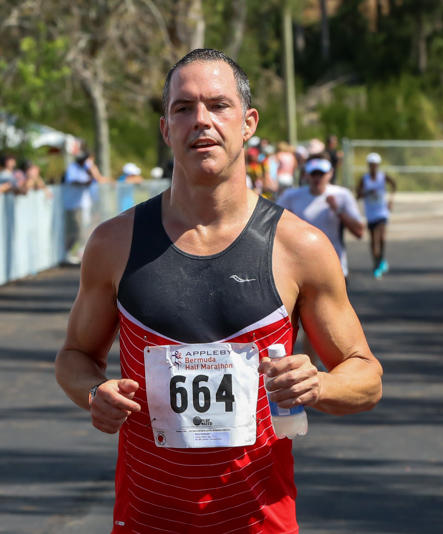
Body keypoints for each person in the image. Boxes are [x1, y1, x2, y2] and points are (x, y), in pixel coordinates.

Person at [55, 48, 382, 533]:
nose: (201, 120)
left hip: (259, 523)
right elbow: (74, 356)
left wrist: (319, 384)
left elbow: (367, 376)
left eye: (218, 105)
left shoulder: (300, 247)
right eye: (183, 108)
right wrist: (92, 391)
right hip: (147, 521)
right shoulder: (114, 243)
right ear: (166, 129)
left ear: (248, 123)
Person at [278, 154, 364, 286]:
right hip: (300, 269)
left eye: (321, 174)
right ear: (306, 174)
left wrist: (338, 210)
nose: (317, 178)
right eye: (314, 174)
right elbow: (274, 226)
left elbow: (359, 232)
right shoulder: (291, 196)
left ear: (330, 173)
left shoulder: (342, 195)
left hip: (334, 267)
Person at [356, 152, 396, 280]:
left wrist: (391, 200)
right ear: (368, 165)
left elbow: (393, 185)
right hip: (371, 213)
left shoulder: (383, 177)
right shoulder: (364, 179)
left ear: (378, 165)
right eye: (371, 165)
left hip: (382, 211)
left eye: (375, 165)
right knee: (374, 240)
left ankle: (381, 260)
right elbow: (358, 195)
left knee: (382, 238)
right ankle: (376, 264)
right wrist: (367, 193)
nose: (373, 167)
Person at [61, 151, 106, 264]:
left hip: (85, 205)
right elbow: (72, 181)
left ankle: (80, 252)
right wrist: (85, 182)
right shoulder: (73, 168)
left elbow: (97, 179)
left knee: (85, 229)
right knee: (75, 230)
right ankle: (67, 253)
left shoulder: (87, 168)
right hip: (73, 205)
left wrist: (92, 171)